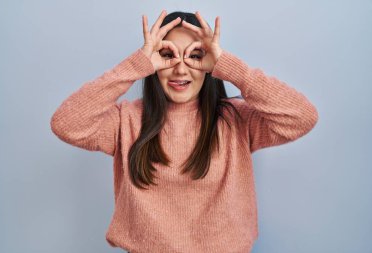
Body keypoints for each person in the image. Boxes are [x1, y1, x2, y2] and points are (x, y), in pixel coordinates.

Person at [50, 10, 318, 253]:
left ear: (209, 63)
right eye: (168, 55)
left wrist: (229, 66)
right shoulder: (127, 120)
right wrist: (134, 65)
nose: (180, 68)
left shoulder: (236, 119)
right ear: (154, 63)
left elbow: (302, 117)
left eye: (195, 55)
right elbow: (66, 123)